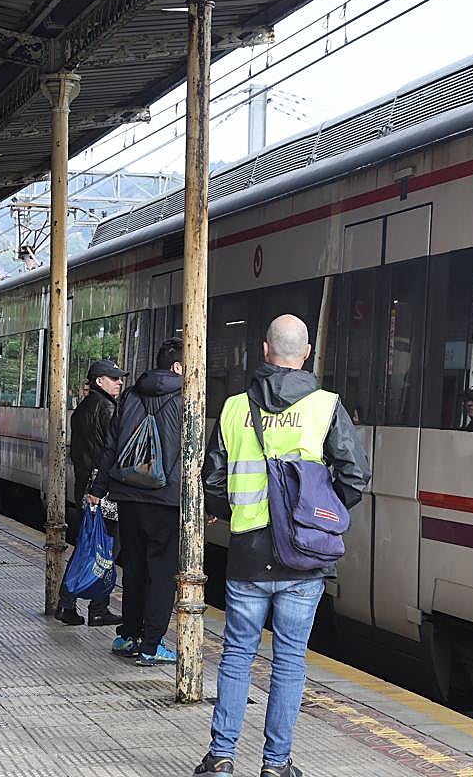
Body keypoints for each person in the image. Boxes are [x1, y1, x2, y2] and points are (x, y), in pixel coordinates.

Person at [195, 315, 371, 777]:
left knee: (237, 655)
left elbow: (212, 479)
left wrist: (232, 510)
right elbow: (355, 474)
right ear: (306, 353)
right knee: (290, 662)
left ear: (266, 351)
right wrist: (322, 511)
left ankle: (221, 756)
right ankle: (275, 765)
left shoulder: (234, 408)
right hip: (304, 558)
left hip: (248, 555)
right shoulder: (327, 406)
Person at [89, 338, 184, 666]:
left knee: (134, 567)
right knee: (161, 573)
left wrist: (99, 488)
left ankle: (128, 635)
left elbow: (111, 448)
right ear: (178, 367)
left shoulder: (129, 396)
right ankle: (151, 644)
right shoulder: (188, 398)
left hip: (127, 494)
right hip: (166, 499)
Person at [56, 358, 128, 627]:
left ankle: (70, 604)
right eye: (114, 378)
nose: (120, 382)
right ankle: (95, 607)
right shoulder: (109, 409)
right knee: (106, 547)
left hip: (84, 486)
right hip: (104, 490)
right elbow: (112, 453)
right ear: (100, 381)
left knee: (89, 544)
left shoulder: (81, 410)